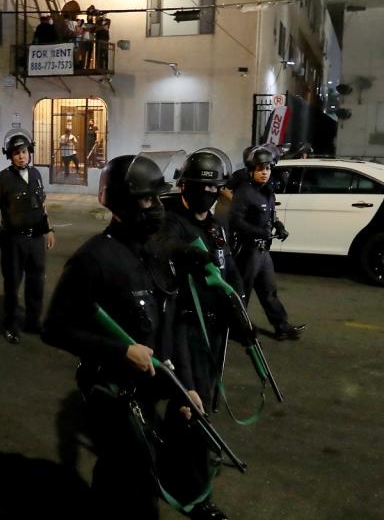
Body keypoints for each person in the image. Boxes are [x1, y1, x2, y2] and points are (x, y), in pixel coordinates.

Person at [42, 154, 181, 519]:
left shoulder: (152, 253)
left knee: (134, 480)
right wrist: (121, 352)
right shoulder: (94, 259)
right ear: (122, 203)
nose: (156, 209)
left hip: (149, 389)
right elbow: (55, 328)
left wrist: (183, 386)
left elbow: (163, 322)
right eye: (147, 200)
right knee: (125, 479)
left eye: (158, 199)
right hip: (112, 395)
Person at [155, 148, 241, 520]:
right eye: (201, 188)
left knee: (192, 405)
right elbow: (162, 246)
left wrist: (239, 312)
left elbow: (230, 271)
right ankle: (195, 494)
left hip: (214, 331)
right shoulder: (174, 222)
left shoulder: (215, 226)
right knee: (193, 406)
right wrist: (190, 253)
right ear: (186, 187)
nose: (209, 196)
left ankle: (171, 462)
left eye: (214, 189)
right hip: (185, 327)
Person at [0, 129, 55, 344]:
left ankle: (33, 322)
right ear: (10, 155)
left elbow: (41, 205)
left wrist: (49, 229)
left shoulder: (36, 175)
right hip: (13, 241)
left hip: (36, 240)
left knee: (36, 283)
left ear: (29, 152)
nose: (21, 156)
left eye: (24, 151)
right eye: (16, 153)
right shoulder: (3, 179)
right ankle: (11, 326)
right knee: (13, 284)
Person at [229, 145, 306, 341]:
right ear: (252, 170)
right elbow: (235, 221)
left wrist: (279, 226)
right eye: (261, 169)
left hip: (263, 252)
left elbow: (272, 214)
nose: (265, 173)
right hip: (248, 251)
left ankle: (281, 326)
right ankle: (238, 328)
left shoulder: (268, 191)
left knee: (269, 291)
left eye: (268, 169)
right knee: (242, 293)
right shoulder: (245, 192)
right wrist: (258, 232)